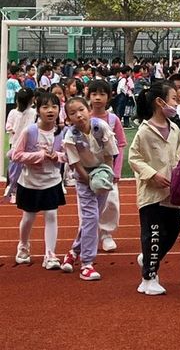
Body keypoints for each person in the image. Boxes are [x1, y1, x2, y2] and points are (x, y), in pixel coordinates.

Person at [127, 81, 180, 295]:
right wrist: (152, 174)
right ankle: (148, 277)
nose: (175, 104)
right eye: (174, 99)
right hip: (151, 193)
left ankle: (149, 258)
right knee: (153, 234)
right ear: (160, 102)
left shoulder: (175, 128)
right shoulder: (145, 131)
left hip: (171, 192)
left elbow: (178, 156)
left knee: (174, 229)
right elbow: (134, 158)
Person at [60, 96, 118, 281]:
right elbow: (75, 164)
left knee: (92, 219)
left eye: (81, 110)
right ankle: (87, 263)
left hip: (102, 176)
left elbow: (110, 154)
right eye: (72, 113)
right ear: (68, 118)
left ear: (89, 110)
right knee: (91, 217)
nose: (78, 115)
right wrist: (90, 182)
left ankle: (73, 251)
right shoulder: (70, 136)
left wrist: (105, 177)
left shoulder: (101, 127)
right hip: (83, 178)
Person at [11, 91, 65, 270]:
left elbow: (69, 155)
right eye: (45, 107)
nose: (50, 110)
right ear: (38, 110)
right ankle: (23, 246)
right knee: (28, 217)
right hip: (30, 182)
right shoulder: (30, 131)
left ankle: (50, 254)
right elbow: (15, 155)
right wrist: (39, 155)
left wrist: (56, 156)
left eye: (54, 106)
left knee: (51, 215)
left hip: (52, 180)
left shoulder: (61, 132)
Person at [86, 79, 127, 253]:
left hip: (108, 167)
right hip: (88, 167)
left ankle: (107, 233)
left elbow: (121, 144)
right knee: (89, 203)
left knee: (111, 202)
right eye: (94, 94)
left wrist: (116, 170)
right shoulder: (84, 117)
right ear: (88, 96)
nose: (97, 98)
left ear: (109, 97)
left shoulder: (113, 119)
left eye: (102, 94)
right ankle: (89, 233)